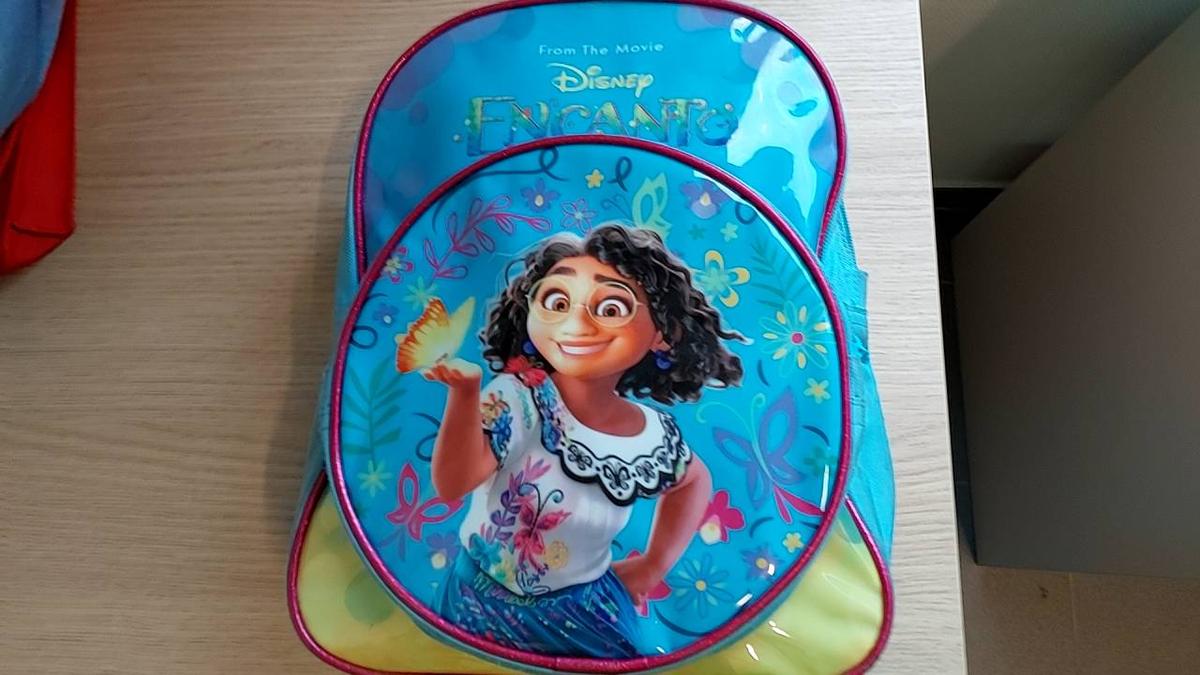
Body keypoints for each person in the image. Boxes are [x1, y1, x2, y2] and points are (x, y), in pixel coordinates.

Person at [419, 224, 743, 657]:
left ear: (662, 331)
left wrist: (652, 566)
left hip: (586, 611)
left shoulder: (653, 434)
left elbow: (693, 481)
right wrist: (464, 395)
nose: (575, 323)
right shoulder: (519, 397)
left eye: (610, 307)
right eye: (557, 301)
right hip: (476, 600)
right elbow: (453, 483)